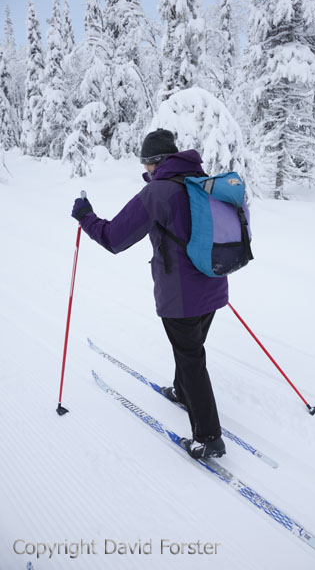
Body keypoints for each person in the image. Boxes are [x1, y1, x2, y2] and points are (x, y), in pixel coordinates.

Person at [71, 129, 227, 459]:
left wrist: (86, 217)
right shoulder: (201, 181)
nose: (145, 171)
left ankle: (209, 437)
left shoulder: (158, 193)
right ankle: (183, 392)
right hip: (213, 284)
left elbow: (115, 237)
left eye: (146, 164)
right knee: (189, 348)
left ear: (156, 163)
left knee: (191, 357)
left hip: (182, 295)